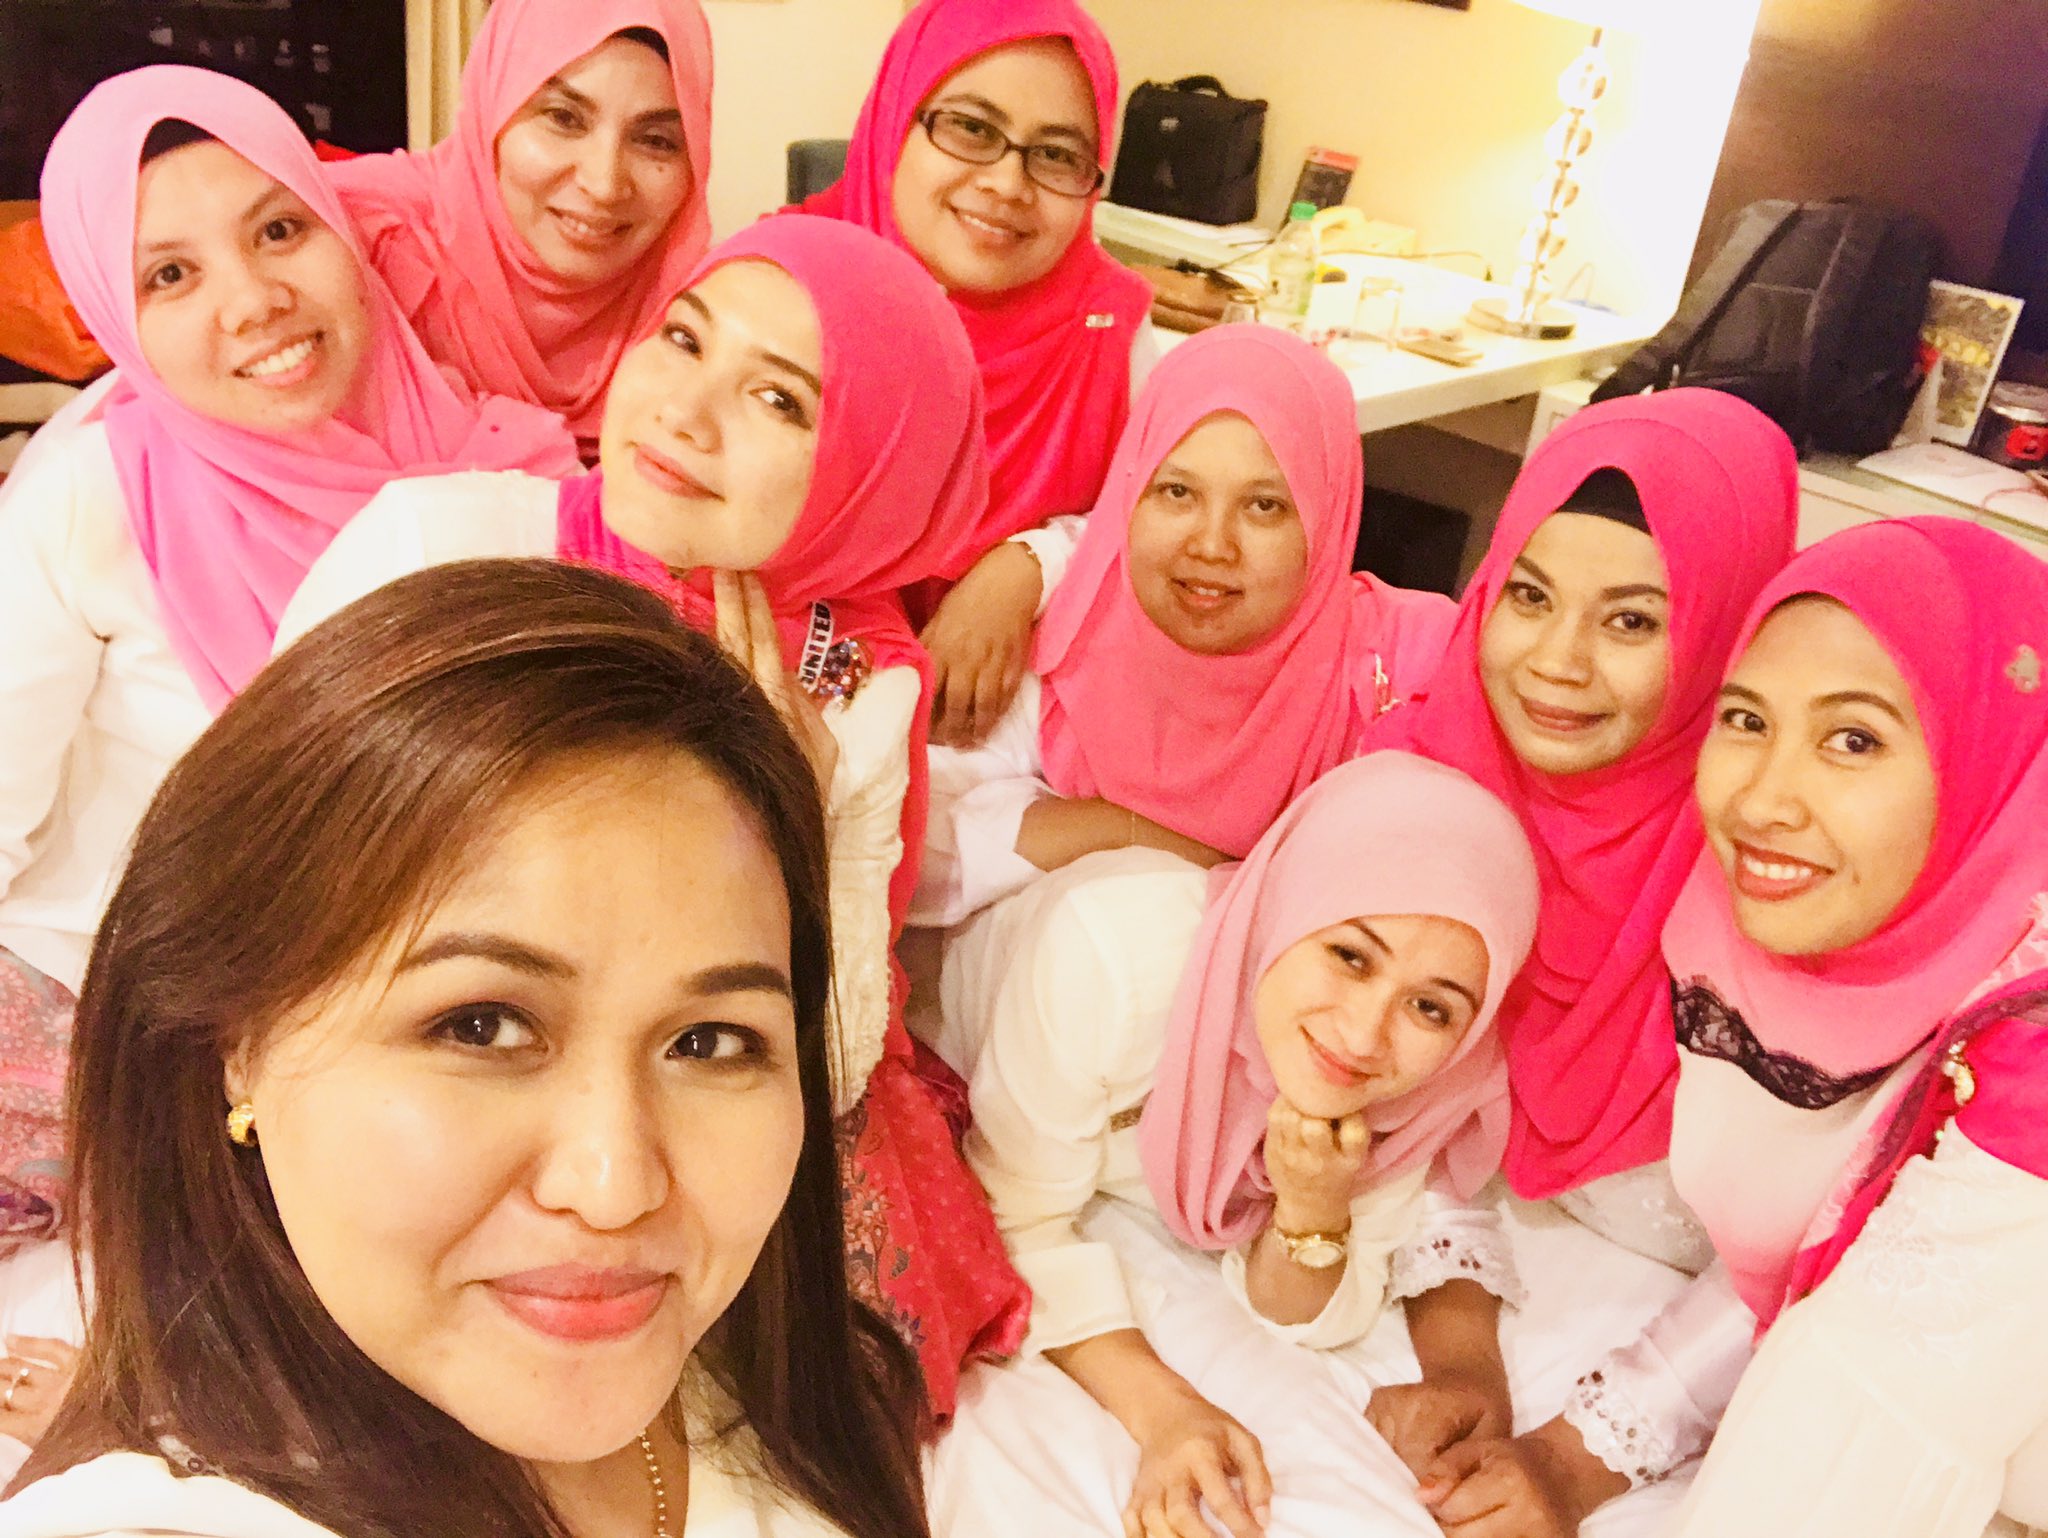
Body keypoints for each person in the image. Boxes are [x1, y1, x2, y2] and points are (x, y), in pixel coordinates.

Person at [0, 559, 929, 1538]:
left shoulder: (798, 1390)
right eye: (480, 1025)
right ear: (240, 1045)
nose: (613, 1189)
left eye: (710, 1041)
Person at [276, 214, 1027, 1418]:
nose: (685, 410)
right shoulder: (443, 544)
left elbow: (827, 1054)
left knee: (827, 1371)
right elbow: (269, 870)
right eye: (681, 338)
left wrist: (793, 813)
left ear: (871, 471)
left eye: (778, 400)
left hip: (689, 1064)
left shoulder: (855, 684)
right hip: (423, 1037)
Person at [0, 67, 574, 1267]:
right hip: (99, 998)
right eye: (171, 274)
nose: (254, 300)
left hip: (375, 1006)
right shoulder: (93, 491)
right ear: (114, 311)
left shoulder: (499, 477)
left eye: (278, 230)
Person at [1355, 391, 1800, 1529]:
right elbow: (1394, 1098)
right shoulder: (1416, 779)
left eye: (1631, 621)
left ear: (1726, 636)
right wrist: (1463, 1358)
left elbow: (1823, 1224)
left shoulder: (1781, 868)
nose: (1556, 663)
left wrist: (1574, 1456)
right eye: (1530, 595)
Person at [934, 752, 1538, 1538]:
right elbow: (1009, 1216)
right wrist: (1166, 1411)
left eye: (1431, 1008)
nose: (1363, 1036)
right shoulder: (1113, 959)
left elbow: (1314, 1314)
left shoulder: (1422, 1093)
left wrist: (1313, 1204)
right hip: (948, 1013)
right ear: (1289, 906)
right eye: (1350, 956)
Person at [1652, 518, 2048, 1537]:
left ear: (1992, 758)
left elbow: (1858, 1439)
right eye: (1745, 718)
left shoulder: (2032, 1063)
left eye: (1853, 739)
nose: (1761, 800)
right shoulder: (1754, 951)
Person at [910, 325, 1455, 935]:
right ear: (1130, 492)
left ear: (1328, 518)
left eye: (1264, 506)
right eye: (1176, 492)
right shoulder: (1066, 644)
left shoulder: (1407, 672)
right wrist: (1121, 831)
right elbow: (906, 849)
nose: (1212, 545)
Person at [803, 0, 1155, 745]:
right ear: (897, 119)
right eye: (971, 127)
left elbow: (1155, 510)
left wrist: (1027, 566)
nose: (1007, 183)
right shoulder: (780, 291)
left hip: (1012, 743)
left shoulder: (1111, 332)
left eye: (1055, 154)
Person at [330, 0, 715, 453]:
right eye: (563, 118)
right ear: (492, 110)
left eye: (655, 141)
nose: (604, 185)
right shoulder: (352, 240)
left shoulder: (701, 320)